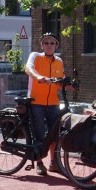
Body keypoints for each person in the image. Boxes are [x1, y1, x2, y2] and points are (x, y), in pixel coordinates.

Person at [24, 32, 65, 176]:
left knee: (55, 133)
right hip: (36, 101)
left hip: (53, 102)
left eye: (52, 43)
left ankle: (54, 163)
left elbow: (60, 80)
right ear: (41, 45)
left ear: (56, 46)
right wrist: (38, 77)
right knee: (39, 132)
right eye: (46, 43)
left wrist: (69, 84)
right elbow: (28, 69)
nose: (49, 45)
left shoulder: (59, 61)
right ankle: (39, 163)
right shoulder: (35, 56)